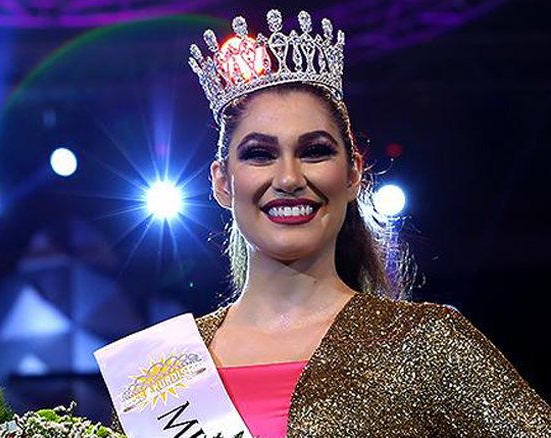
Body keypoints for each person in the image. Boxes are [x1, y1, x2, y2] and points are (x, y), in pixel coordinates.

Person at [114, 9, 551, 438]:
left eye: (315, 151)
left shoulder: (424, 342)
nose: (288, 178)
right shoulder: (160, 371)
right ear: (223, 183)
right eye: (260, 154)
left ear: (353, 174)